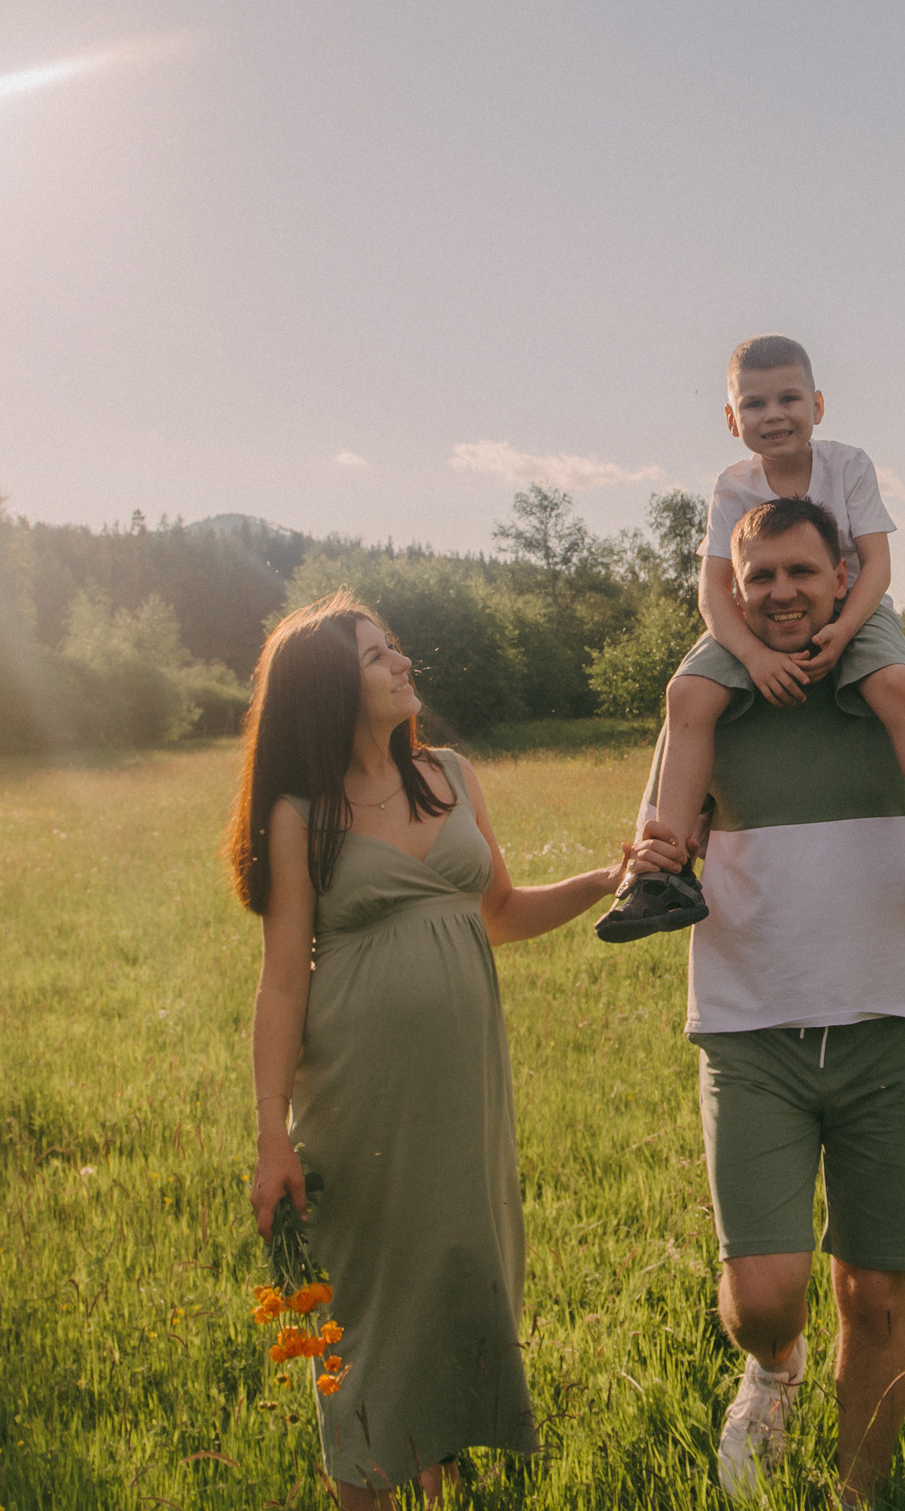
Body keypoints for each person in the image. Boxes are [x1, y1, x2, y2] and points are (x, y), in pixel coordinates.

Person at [622, 498, 905, 1508]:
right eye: (761, 579)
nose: (782, 593)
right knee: (766, 1296)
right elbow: (661, 849)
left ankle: (859, 1495)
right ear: (731, 594)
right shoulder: (705, 706)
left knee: (876, 1291)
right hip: (752, 1023)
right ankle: (772, 1367)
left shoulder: (900, 692)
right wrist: (665, 851)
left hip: (891, 1020)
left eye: (802, 572)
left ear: (845, 576)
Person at [226, 593, 627, 1508]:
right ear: (331, 690)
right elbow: (283, 981)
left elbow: (504, 913)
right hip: (361, 1093)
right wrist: (271, 1136)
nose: (404, 665)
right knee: (373, 1315)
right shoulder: (302, 814)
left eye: (397, 648)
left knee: (455, 1290)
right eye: (379, 657)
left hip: (463, 1090)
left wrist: (610, 878)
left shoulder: (448, 773)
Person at [596, 333, 905, 942]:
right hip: (751, 618)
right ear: (732, 418)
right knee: (687, 695)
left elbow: (876, 565)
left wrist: (845, 629)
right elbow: (714, 593)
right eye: (755, 404)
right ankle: (667, 868)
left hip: (852, 607)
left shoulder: (849, 465)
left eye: (789, 398)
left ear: (817, 405)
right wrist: (754, 656)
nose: (774, 415)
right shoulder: (732, 486)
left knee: (898, 683)